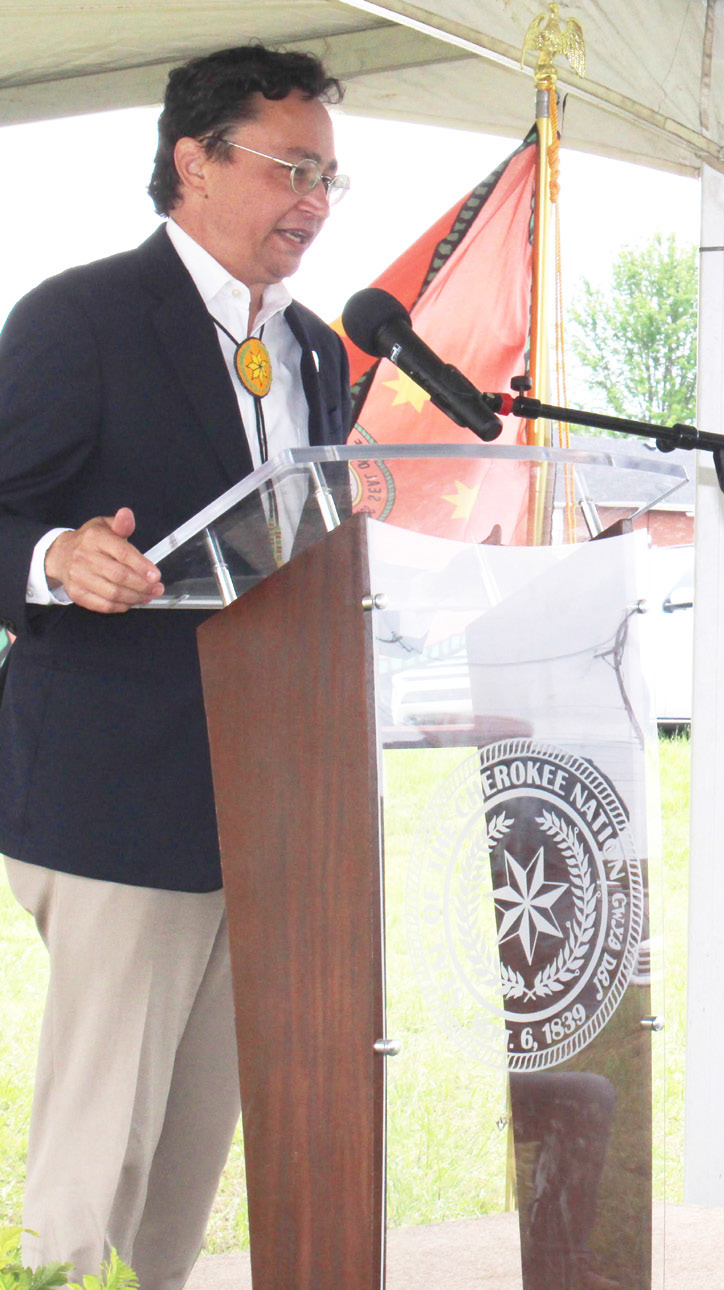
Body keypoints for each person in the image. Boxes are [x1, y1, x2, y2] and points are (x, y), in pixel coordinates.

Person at [0, 45, 352, 1289]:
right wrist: (53, 557)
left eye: (328, 176)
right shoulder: (80, 318)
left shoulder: (317, 353)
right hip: (116, 797)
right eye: (289, 168)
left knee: (191, 1162)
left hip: (266, 804)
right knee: (99, 1158)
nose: (313, 201)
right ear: (191, 161)